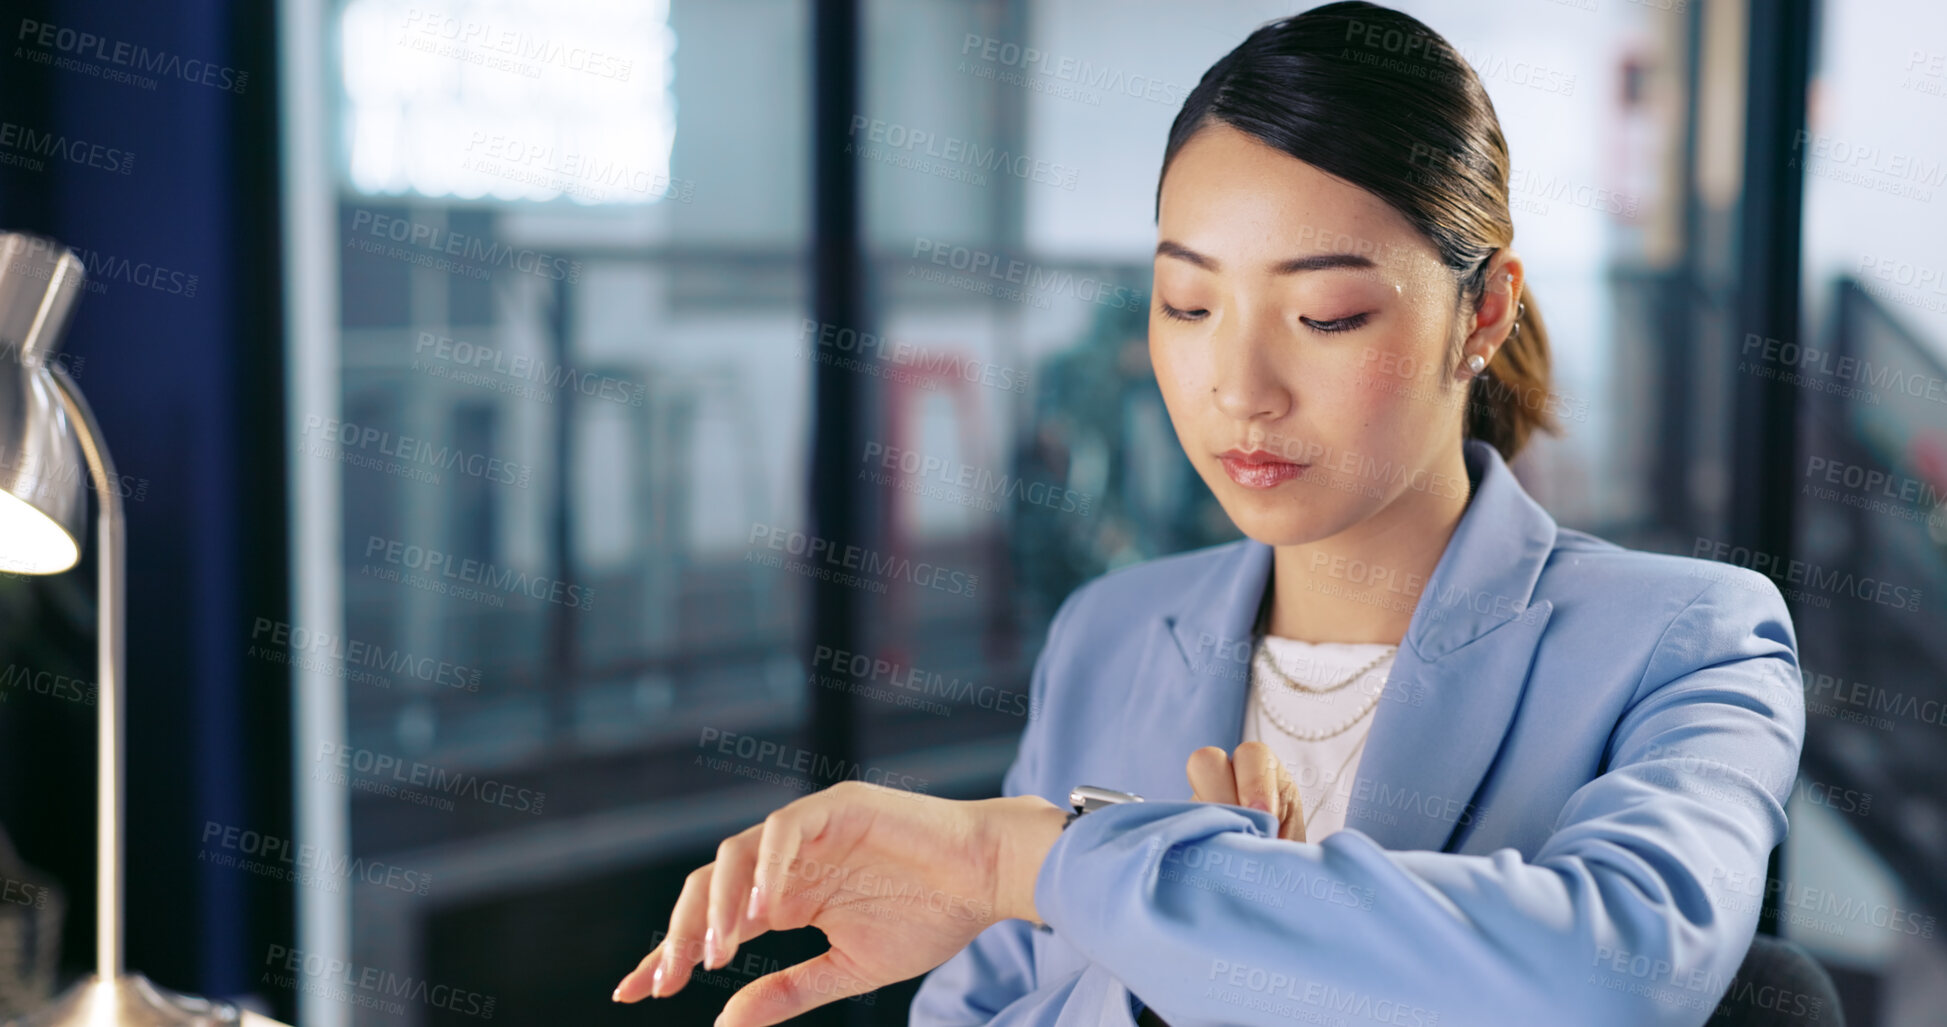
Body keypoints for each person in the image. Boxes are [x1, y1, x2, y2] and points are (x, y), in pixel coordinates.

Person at [611, 3, 1804, 1025]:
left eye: (1326, 314)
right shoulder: (1111, 635)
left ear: (1483, 313)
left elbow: (1606, 979)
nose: (1238, 387)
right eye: (1187, 304)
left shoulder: (1687, 637)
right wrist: (1191, 945)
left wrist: (1033, 860)